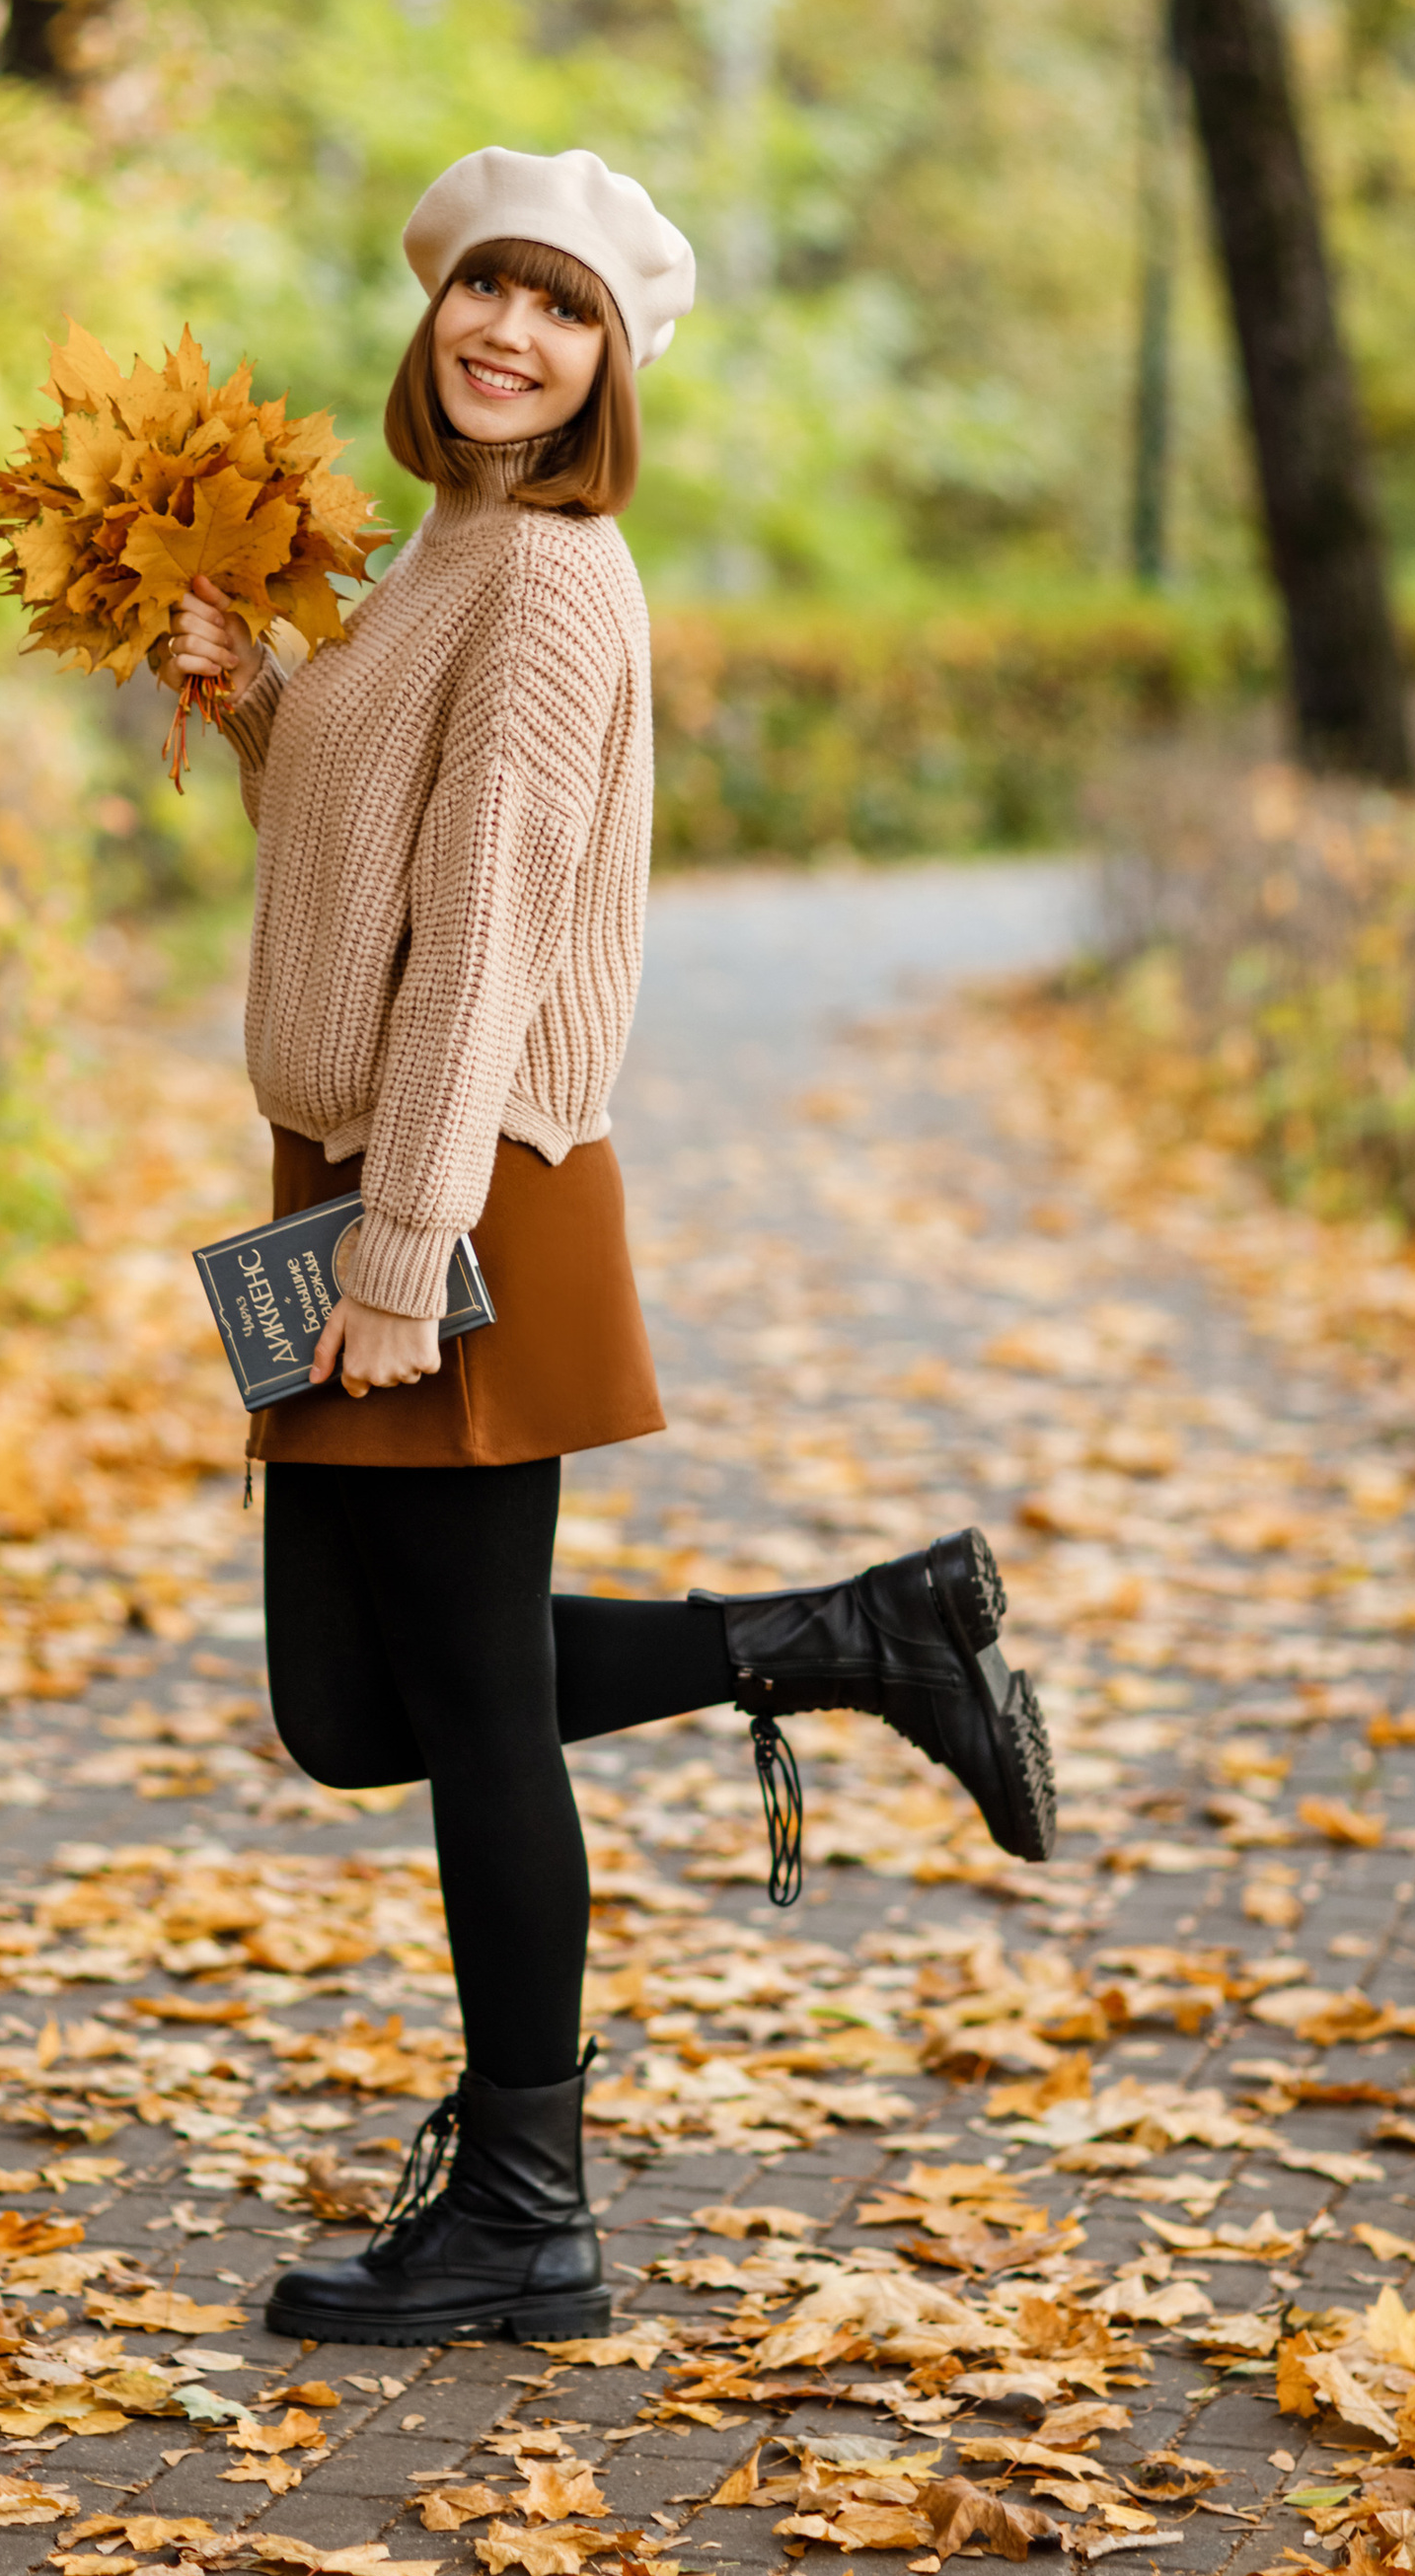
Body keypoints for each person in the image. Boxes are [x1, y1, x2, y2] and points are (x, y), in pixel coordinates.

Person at [159, 144, 1055, 2350]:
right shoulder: (452, 551)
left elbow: (477, 939)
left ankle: (527, 2211)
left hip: (462, 1189)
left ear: (606, 362)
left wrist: (402, 1238)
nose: (507, 335)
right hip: (362, 1174)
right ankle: (846, 1640)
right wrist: (263, 696)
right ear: (434, 313)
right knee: (344, 1705)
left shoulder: (552, 582)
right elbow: (378, 853)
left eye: (558, 311)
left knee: (460, 1716)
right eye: (485, 291)